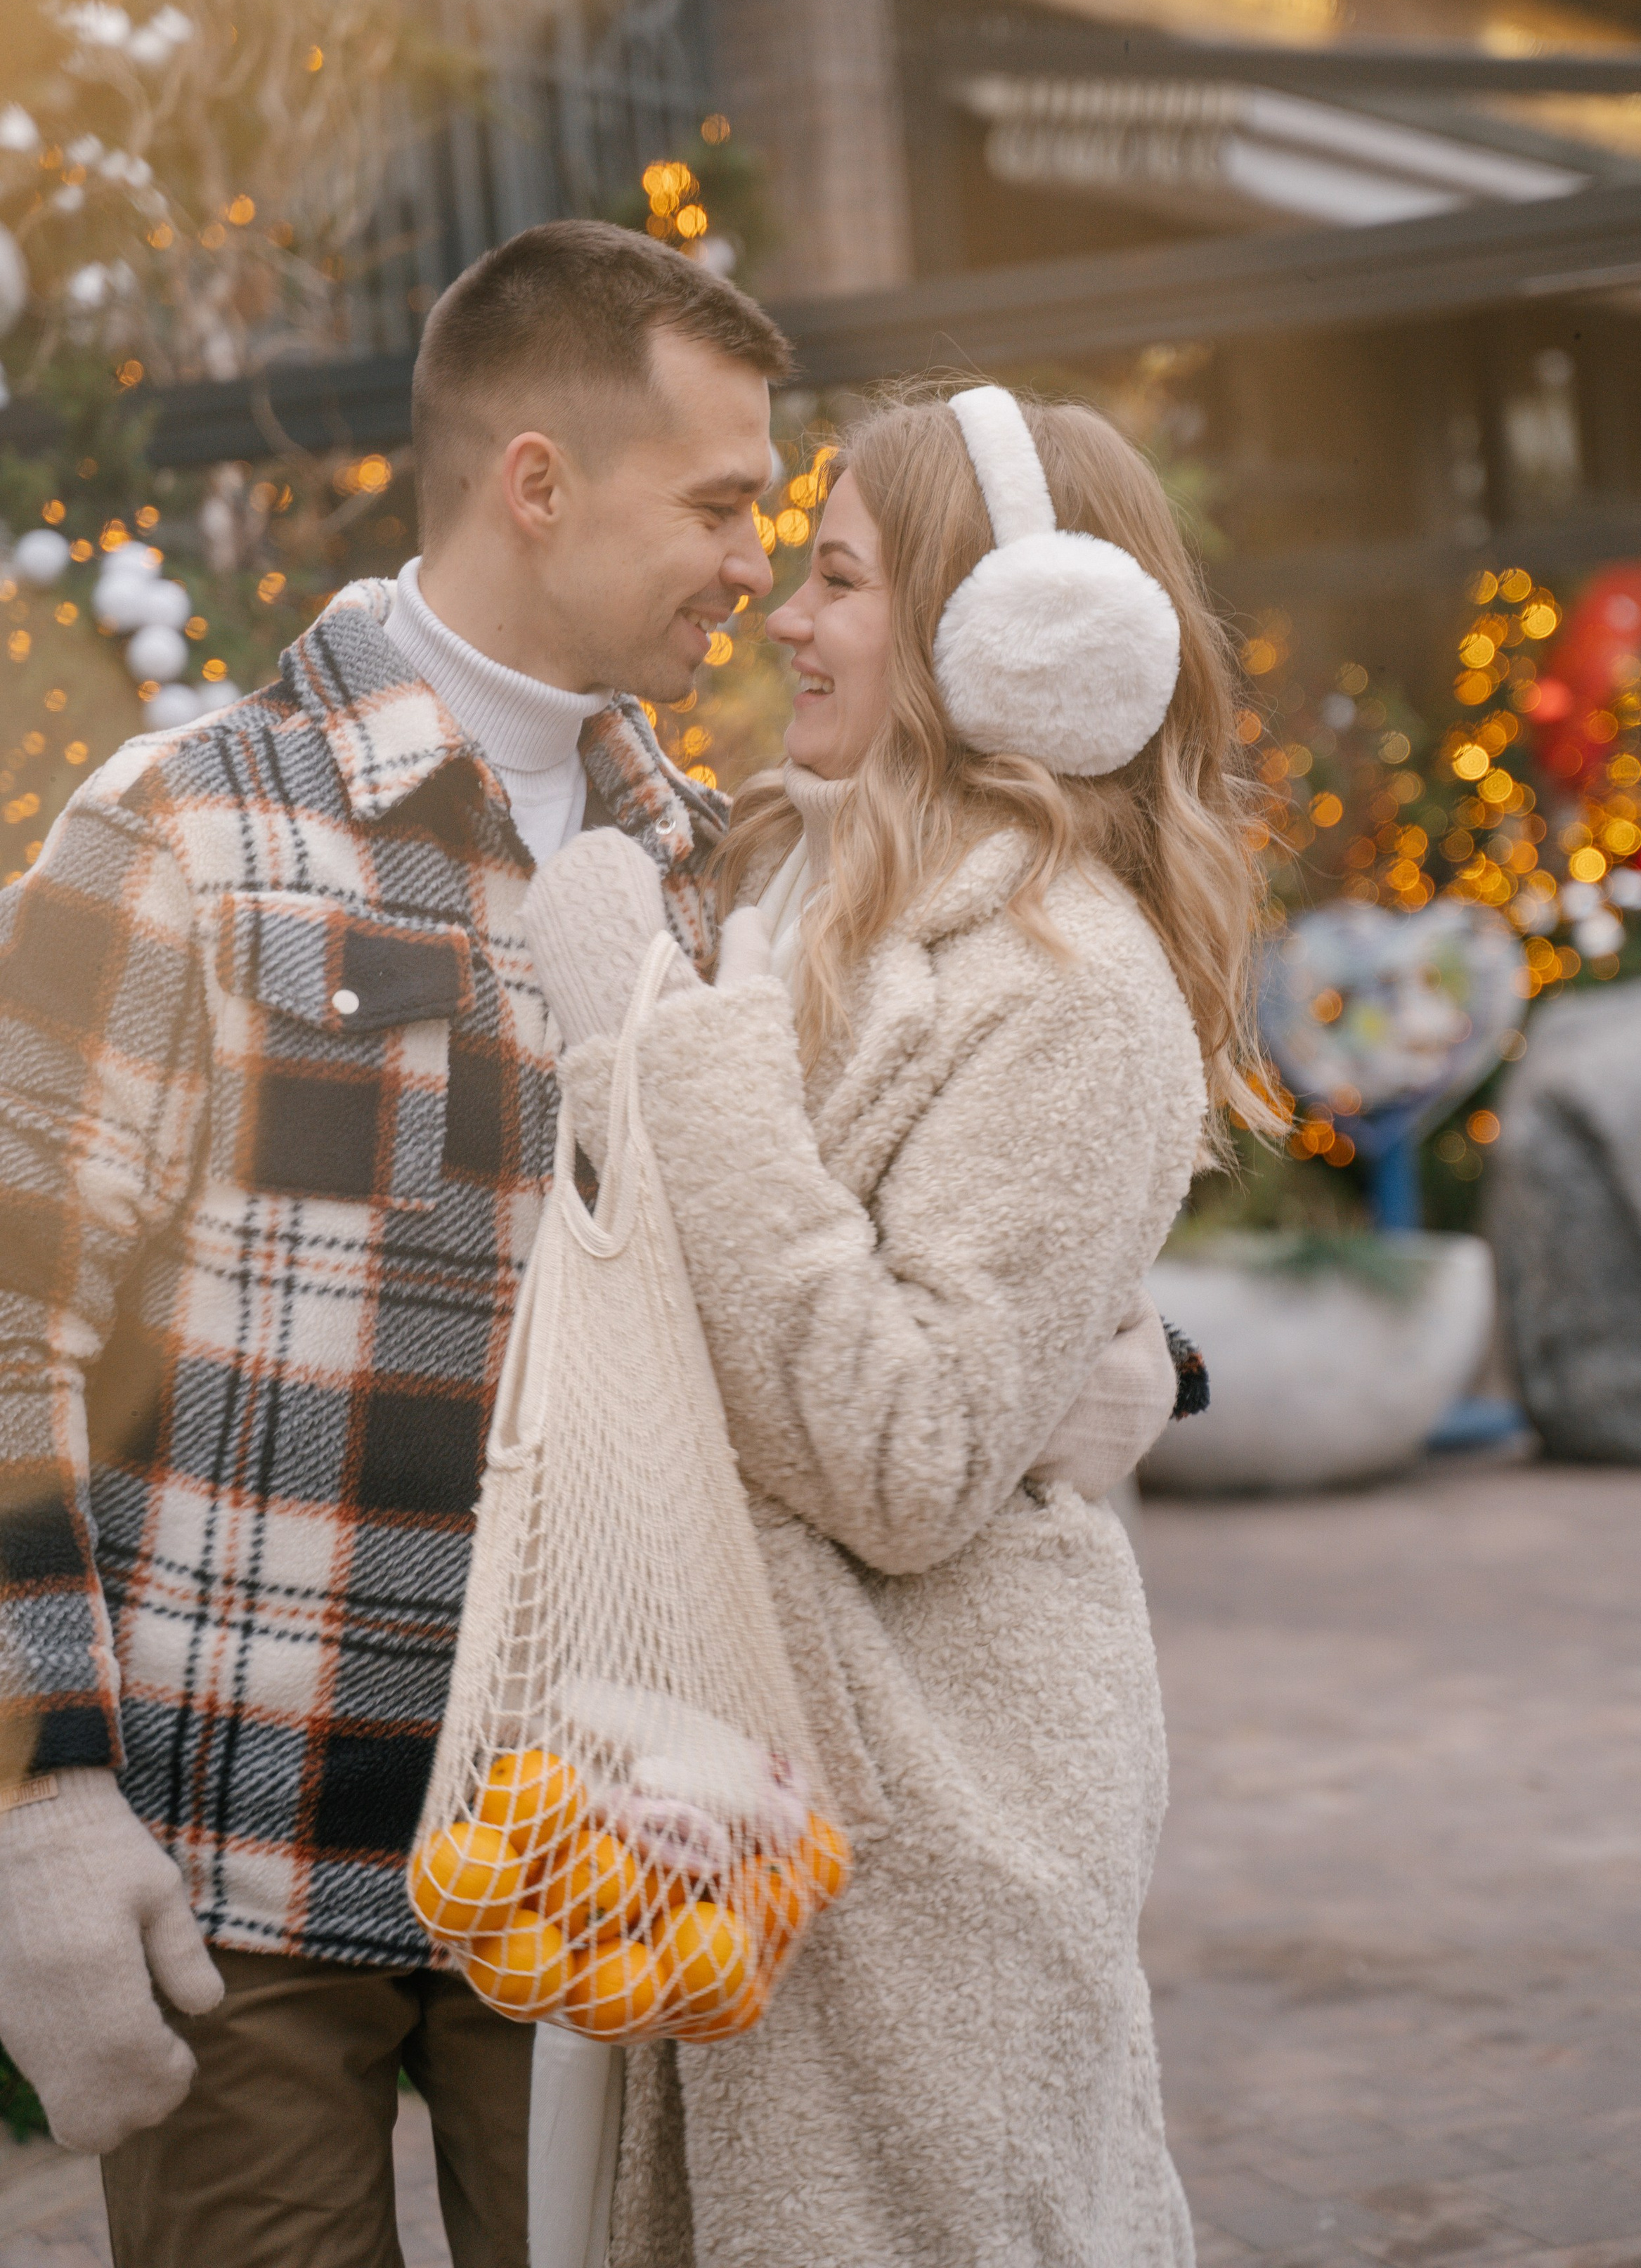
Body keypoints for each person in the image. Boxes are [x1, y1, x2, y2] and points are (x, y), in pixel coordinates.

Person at [0, 231, 1175, 2266]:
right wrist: (39, 1798)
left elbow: (902, 1225)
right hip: (252, 1849)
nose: (751, 572)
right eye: (724, 510)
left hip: (613, 1839)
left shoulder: (726, 872)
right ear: (538, 481)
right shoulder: (185, 826)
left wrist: (1134, 1357)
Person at [524, 385, 1270, 2267]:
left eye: (839, 573)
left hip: (936, 1825)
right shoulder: (816, 907)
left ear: (993, 636)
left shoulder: (1073, 976)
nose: (784, 612)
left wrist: (656, 1057)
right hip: (758, 1793)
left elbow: (908, 1454)